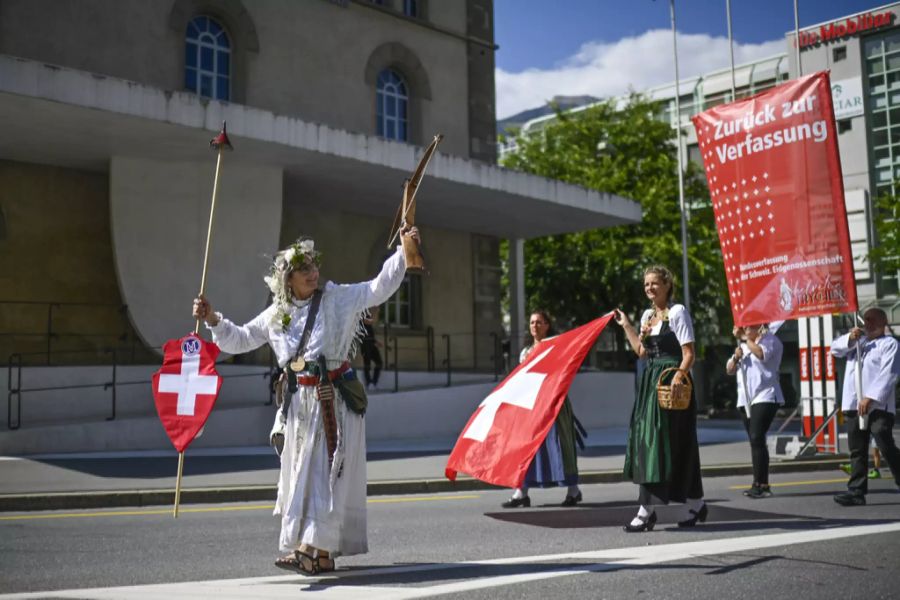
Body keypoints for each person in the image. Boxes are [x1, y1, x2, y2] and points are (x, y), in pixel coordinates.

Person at [192, 228, 419, 573]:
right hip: (299, 408)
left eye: (314, 265)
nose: (314, 272)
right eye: (305, 269)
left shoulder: (335, 298)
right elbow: (238, 340)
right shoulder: (275, 315)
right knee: (303, 476)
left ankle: (309, 547)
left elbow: (377, 288)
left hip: (332, 403)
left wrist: (404, 250)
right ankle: (321, 555)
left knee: (323, 476)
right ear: (288, 279)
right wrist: (212, 318)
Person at [614, 265, 705, 532]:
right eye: (646, 284)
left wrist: (677, 376)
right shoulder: (647, 316)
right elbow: (641, 352)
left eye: (654, 283)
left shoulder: (678, 313)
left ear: (667, 284)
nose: (649, 288)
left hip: (671, 385)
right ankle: (697, 504)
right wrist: (628, 326)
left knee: (665, 445)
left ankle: (647, 511)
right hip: (650, 385)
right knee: (652, 443)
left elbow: (689, 354)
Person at [501, 310, 584, 508]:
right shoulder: (526, 352)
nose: (535, 326)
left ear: (547, 325)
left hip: (554, 404)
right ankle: (521, 492)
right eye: (532, 323)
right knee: (526, 448)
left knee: (561, 446)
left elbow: (563, 374)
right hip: (532, 406)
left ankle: (573, 490)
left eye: (539, 322)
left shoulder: (556, 347)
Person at [831, 307, 900, 507]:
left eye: (872, 320)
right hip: (853, 403)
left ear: (883, 321)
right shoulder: (858, 343)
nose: (867, 324)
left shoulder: (890, 344)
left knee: (884, 443)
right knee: (857, 449)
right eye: (866, 320)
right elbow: (835, 349)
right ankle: (856, 491)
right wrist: (850, 338)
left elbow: (889, 374)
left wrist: (871, 398)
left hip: (878, 405)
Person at [725, 323, 784, 499]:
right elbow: (729, 369)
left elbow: (762, 354)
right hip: (746, 399)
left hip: (766, 395)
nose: (745, 330)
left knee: (757, 435)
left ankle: (763, 485)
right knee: (755, 440)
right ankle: (758, 482)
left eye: (748, 327)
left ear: (759, 327)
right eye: (744, 327)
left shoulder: (770, 340)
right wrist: (735, 358)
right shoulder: (743, 345)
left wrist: (744, 338)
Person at [361, 305, 383, 390]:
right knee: (367, 364)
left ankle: (374, 382)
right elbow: (368, 321)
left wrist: (377, 342)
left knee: (379, 362)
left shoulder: (368, 315)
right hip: (365, 343)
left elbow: (370, 331)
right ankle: (369, 383)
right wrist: (375, 313)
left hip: (371, 343)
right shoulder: (361, 314)